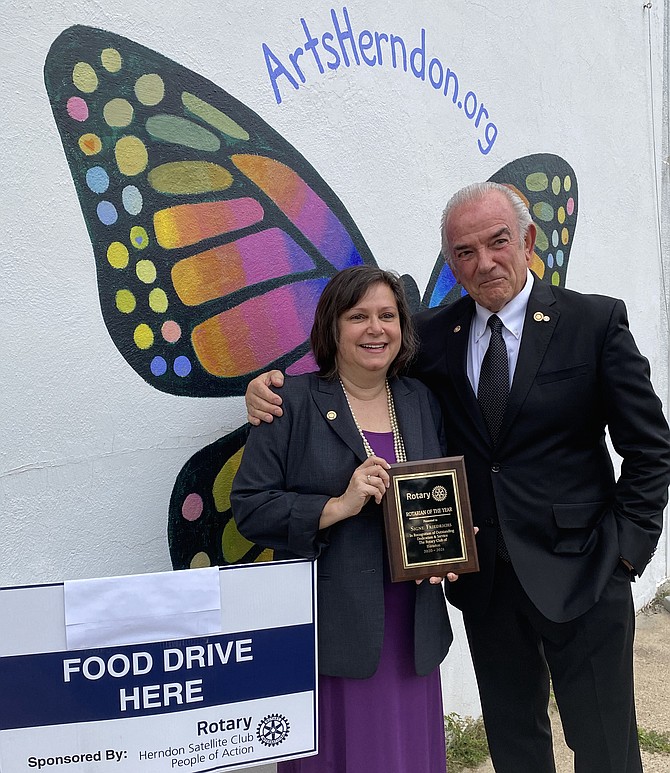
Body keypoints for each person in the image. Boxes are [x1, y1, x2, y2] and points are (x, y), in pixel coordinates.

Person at [244, 183, 670, 773]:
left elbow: (651, 448)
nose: (484, 262)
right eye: (464, 252)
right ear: (451, 263)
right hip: (486, 583)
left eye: (497, 242)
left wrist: (627, 552)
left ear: (527, 241)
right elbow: (355, 366)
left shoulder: (593, 322)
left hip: (585, 571)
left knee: (604, 744)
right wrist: (269, 386)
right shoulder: (433, 337)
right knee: (515, 740)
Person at [231, 266, 454, 773]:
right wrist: (336, 506)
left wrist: (451, 546)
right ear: (332, 328)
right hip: (332, 628)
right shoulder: (289, 403)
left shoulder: (420, 401)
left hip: (411, 624)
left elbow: (439, 496)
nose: (376, 329)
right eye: (359, 316)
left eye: (387, 316)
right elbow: (250, 507)